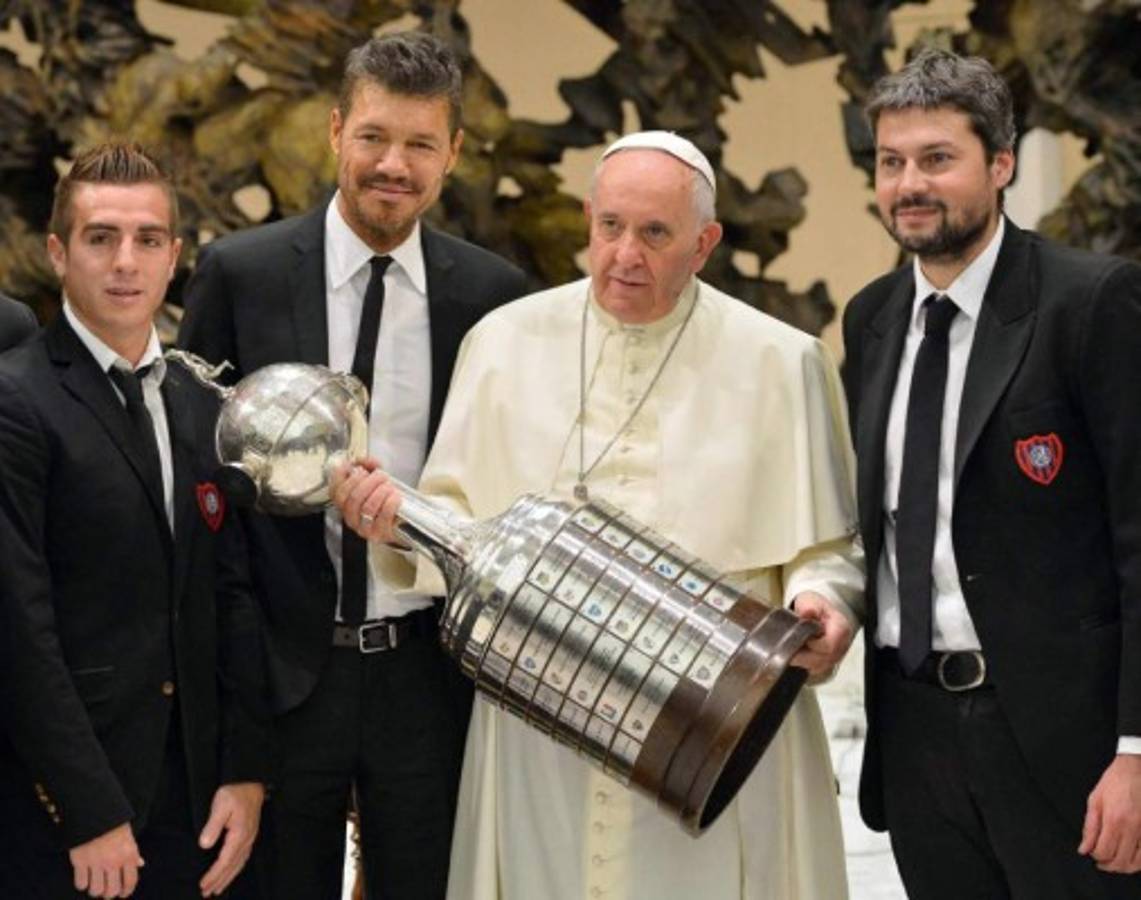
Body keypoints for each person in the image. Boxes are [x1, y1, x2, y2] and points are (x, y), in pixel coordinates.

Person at [334, 130, 865, 900]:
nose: (624, 256)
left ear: (704, 243)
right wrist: (398, 520)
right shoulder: (503, 344)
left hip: (709, 718)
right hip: (539, 719)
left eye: (655, 234)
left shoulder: (780, 362)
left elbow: (825, 547)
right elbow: (455, 521)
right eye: (609, 227)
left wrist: (820, 601)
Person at [178, 30, 528, 900]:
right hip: (280, 676)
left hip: (428, 672)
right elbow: (201, 492)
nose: (392, 165)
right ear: (336, 131)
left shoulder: (494, 301)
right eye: (373, 136)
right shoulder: (239, 273)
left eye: (418, 144)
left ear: (451, 153)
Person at [842, 47, 1141, 898]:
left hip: (1065, 751)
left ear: (1000, 164)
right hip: (915, 738)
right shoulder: (869, 322)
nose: (909, 185)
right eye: (890, 162)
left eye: (937, 159)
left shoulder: (1091, 304)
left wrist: (1135, 753)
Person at [0, 143, 270, 899]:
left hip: (197, 811)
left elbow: (235, 597)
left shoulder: (203, 403)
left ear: (175, 255)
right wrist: (87, 811)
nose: (126, 261)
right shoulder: (15, 400)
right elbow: (18, 623)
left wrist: (245, 773)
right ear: (57, 252)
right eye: (100, 237)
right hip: (63, 813)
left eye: (148, 239)